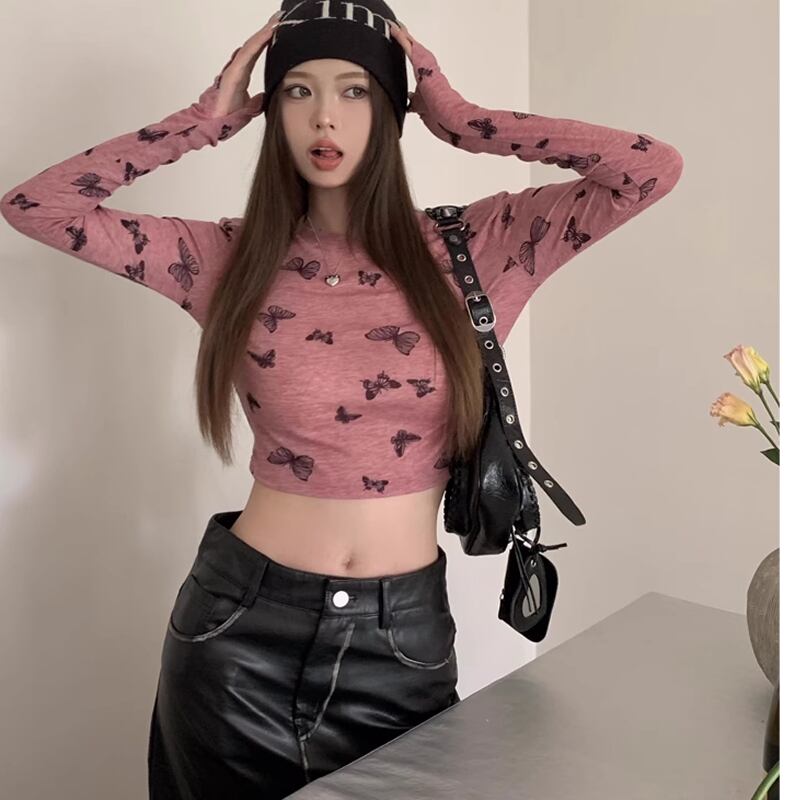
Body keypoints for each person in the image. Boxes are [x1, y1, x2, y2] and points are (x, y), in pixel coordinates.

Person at [0, 1, 684, 797]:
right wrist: (200, 122)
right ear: (272, 109)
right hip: (236, 637)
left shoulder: (481, 247)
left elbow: (650, 169)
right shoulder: (223, 257)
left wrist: (465, 121)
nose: (325, 116)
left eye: (356, 89)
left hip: (402, 644)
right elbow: (36, 207)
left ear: (393, 105)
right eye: (298, 90)